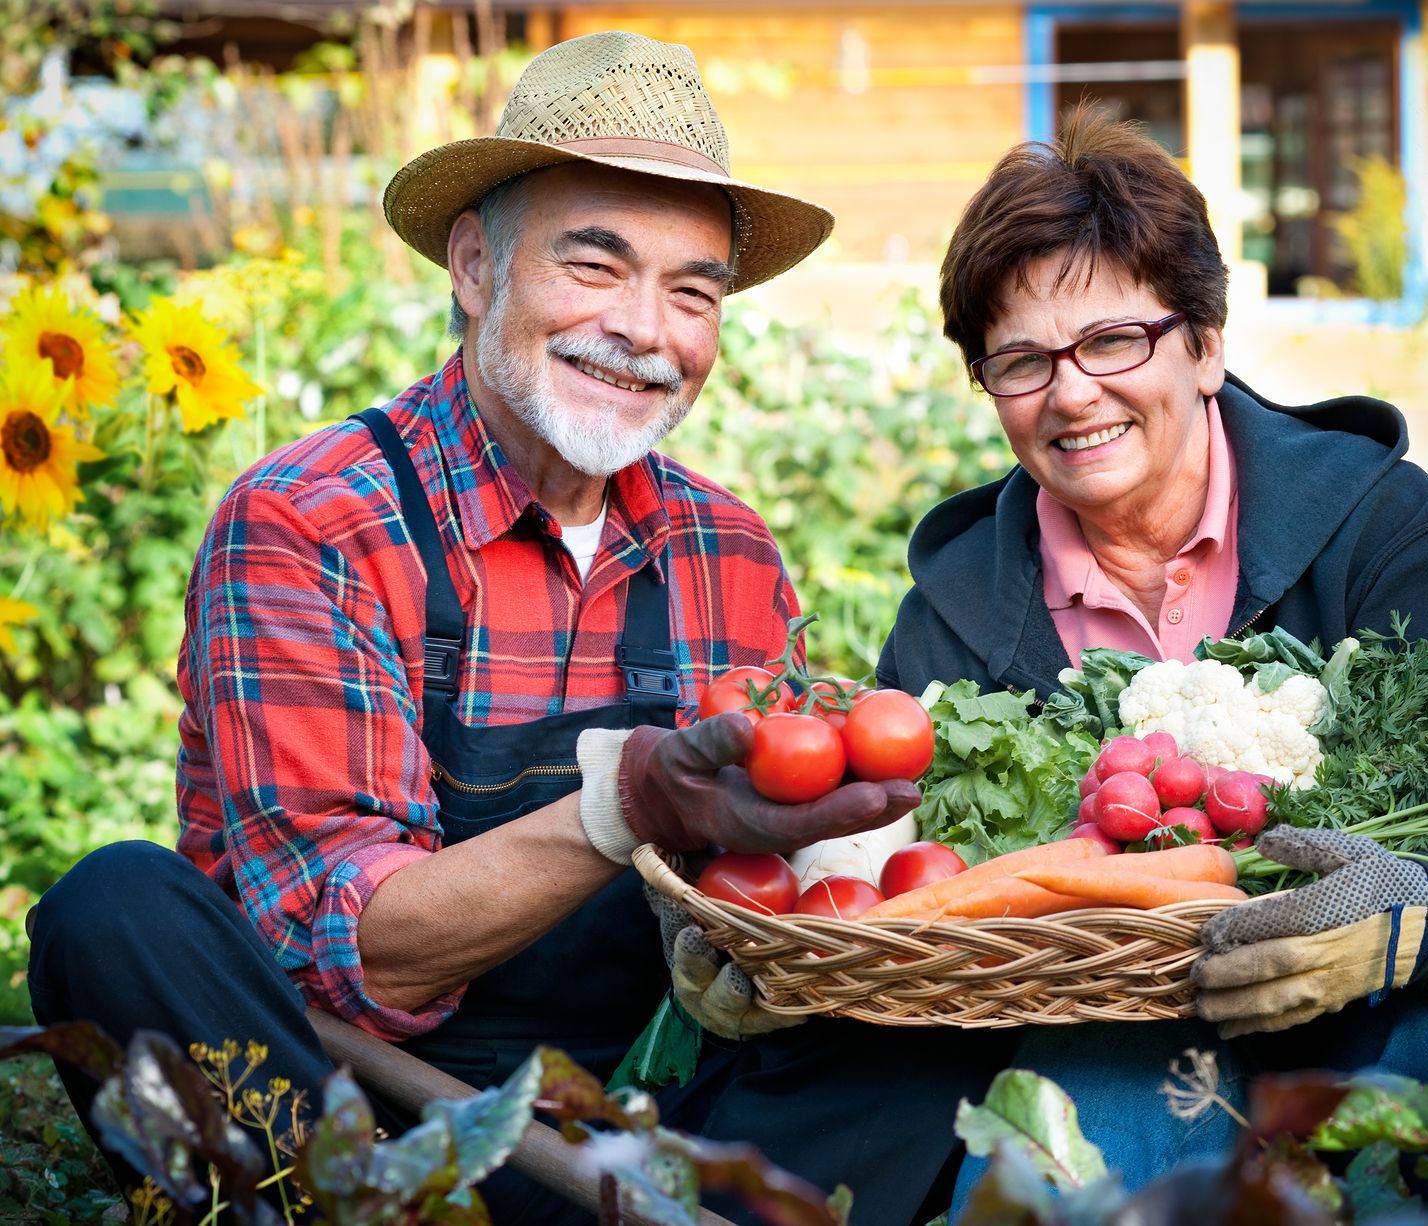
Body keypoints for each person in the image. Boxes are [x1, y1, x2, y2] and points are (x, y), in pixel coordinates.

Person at [27, 32, 1014, 1226]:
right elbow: (355, 956)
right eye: (595, 265)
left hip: (642, 1121)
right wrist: (628, 802)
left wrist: (785, 925)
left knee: (931, 1041)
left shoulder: (728, 549)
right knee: (112, 911)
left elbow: (758, 896)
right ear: (473, 263)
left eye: (692, 292)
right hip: (362, 1119)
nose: (646, 329)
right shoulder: (313, 519)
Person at [871, 105, 1428, 1203]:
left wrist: (1413, 918)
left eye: (1112, 341)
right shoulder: (949, 615)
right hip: (1118, 1032)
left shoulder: (1374, 521)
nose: (1071, 392)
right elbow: (893, 883)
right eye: (1020, 361)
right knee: (1063, 1154)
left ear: (1205, 345)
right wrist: (783, 943)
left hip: (1388, 1004)